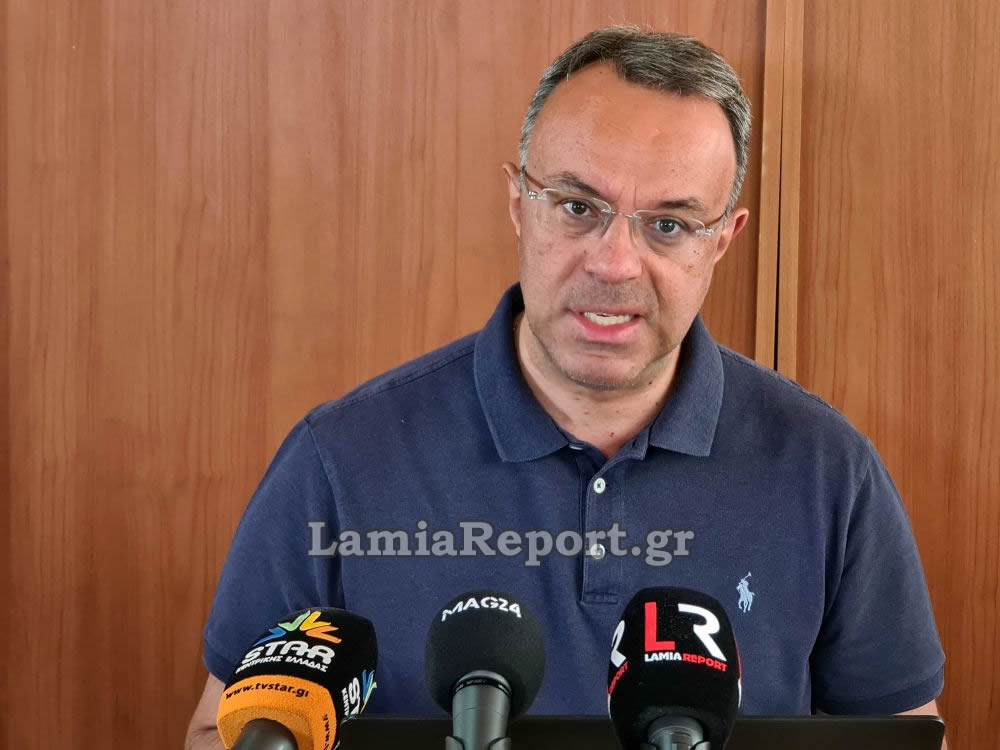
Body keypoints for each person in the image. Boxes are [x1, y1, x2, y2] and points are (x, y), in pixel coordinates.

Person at [186, 27, 945, 748]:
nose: (614, 264)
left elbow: (901, 739)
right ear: (520, 204)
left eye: (669, 225)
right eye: (578, 208)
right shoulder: (339, 461)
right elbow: (221, 731)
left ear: (723, 240)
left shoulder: (828, 471)